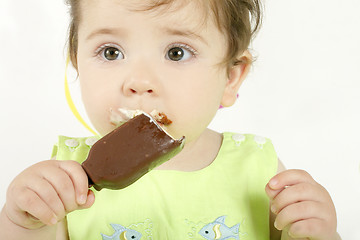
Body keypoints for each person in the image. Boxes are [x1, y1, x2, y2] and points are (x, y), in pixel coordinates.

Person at [0, 0, 341, 239]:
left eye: (176, 52)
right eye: (111, 52)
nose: (139, 80)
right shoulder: (66, 179)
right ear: (77, 63)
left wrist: (316, 233)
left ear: (230, 77)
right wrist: (24, 223)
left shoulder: (258, 170)